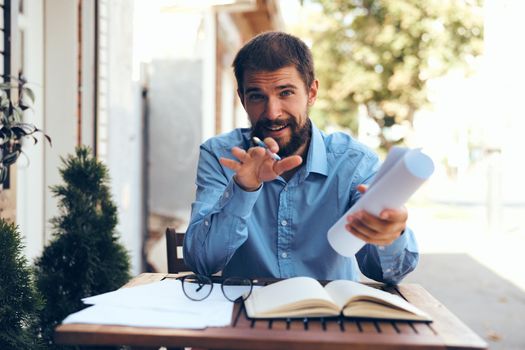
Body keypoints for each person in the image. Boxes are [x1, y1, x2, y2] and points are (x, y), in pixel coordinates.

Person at [183, 31, 418, 284]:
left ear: (312, 92)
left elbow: (391, 274)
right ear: (242, 99)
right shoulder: (220, 156)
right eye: (257, 96)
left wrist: (390, 232)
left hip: (331, 314)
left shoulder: (354, 162)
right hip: (245, 313)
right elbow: (201, 263)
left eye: (285, 93)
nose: (272, 113)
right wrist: (243, 189)